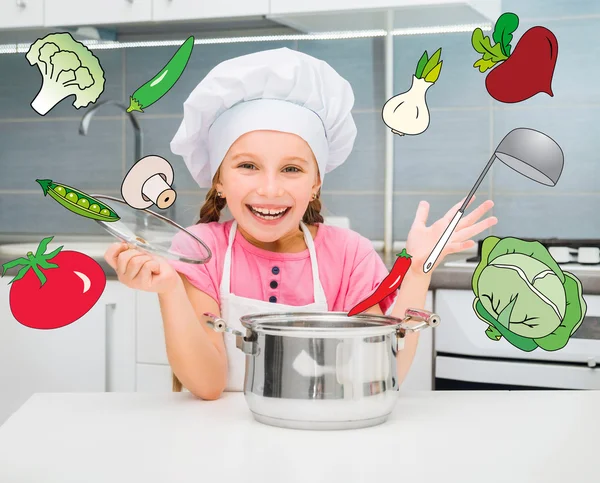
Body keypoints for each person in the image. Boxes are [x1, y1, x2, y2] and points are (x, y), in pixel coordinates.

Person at [104, 47, 497, 400]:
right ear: (219, 180)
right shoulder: (200, 250)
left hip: (324, 437)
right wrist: (170, 289)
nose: (270, 189)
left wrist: (416, 271)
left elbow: (385, 371)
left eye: (291, 169)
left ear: (315, 183)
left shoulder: (348, 255)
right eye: (248, 166)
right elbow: (207, 384)